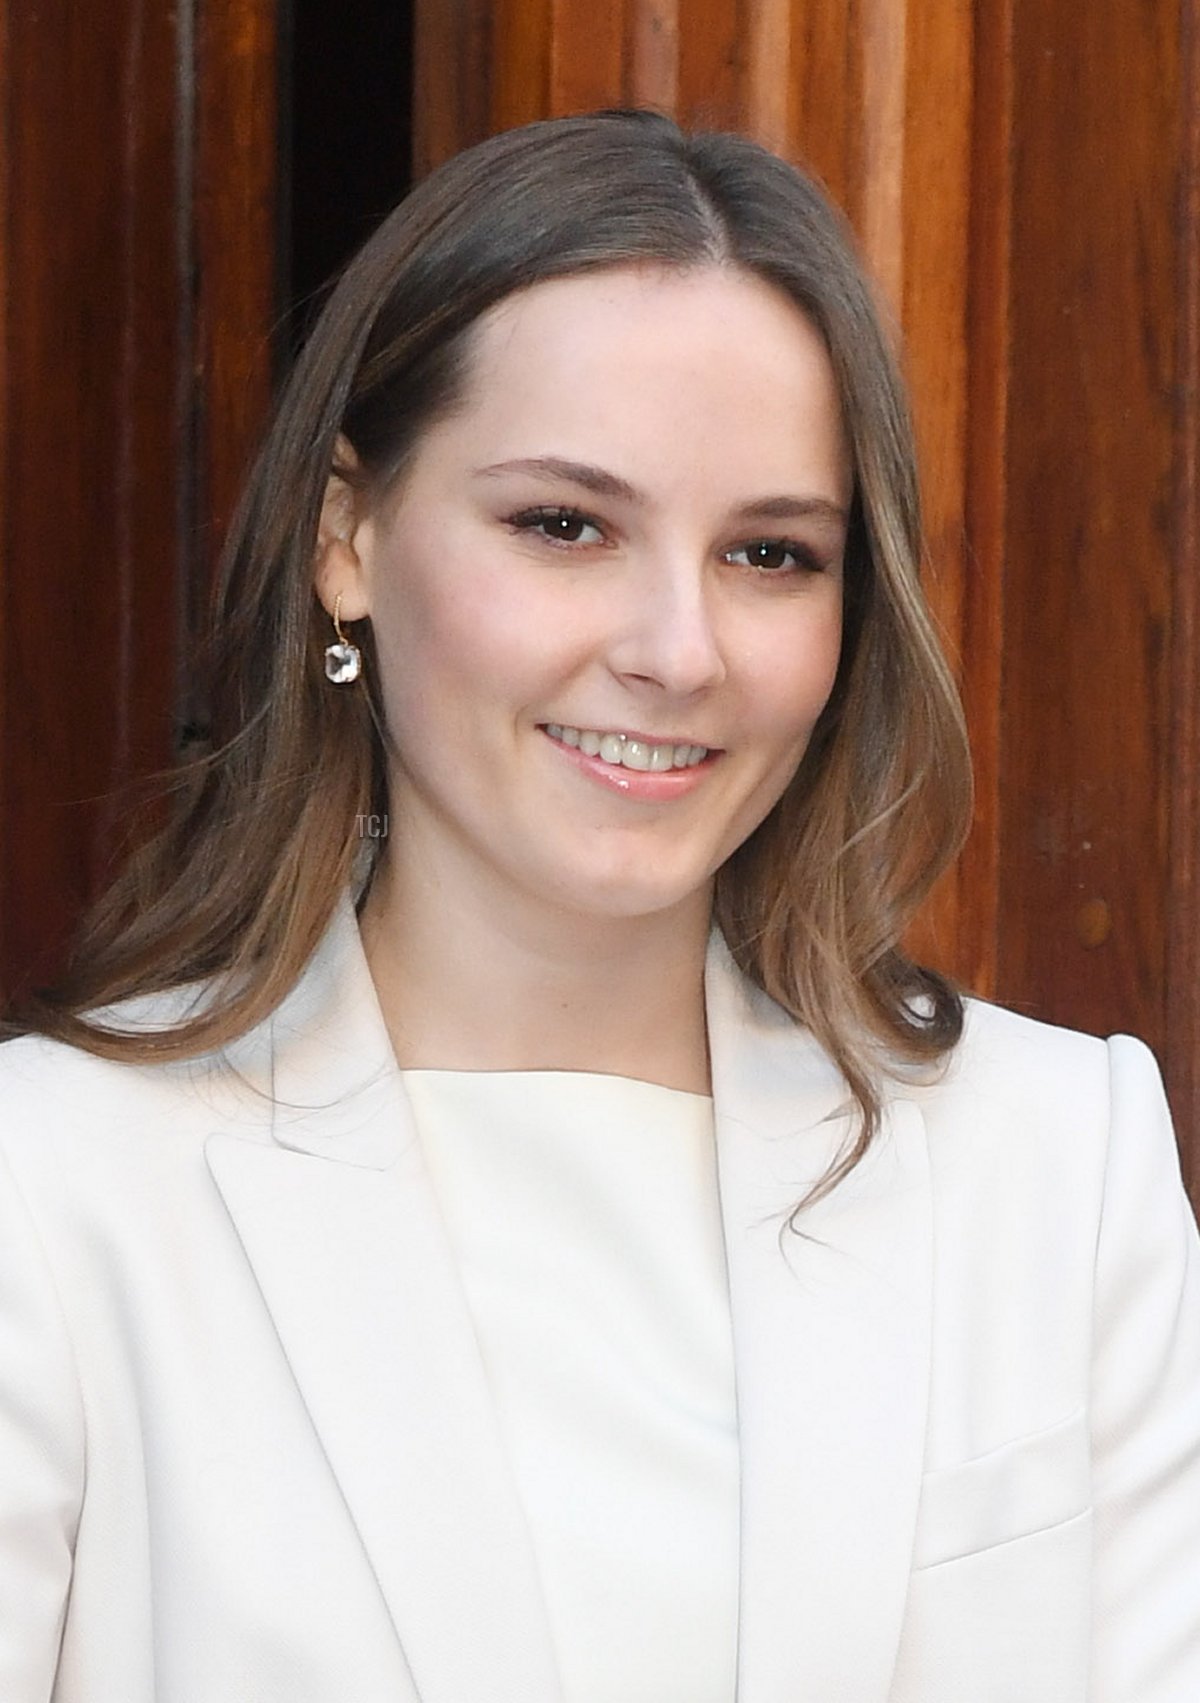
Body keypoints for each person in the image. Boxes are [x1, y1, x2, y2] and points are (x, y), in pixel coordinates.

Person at [1, 109, 1197, 1703]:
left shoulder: (1059, 1162)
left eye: (772, 553)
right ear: (346, 536)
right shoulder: (58, 1193)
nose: (679, 651)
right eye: (567, 525)